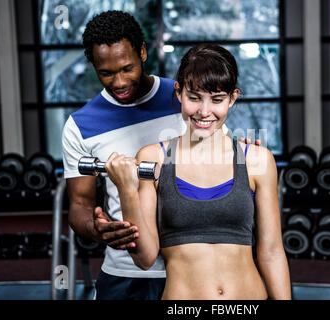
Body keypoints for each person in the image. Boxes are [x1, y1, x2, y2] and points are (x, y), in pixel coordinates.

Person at [62, 11, 256, 300]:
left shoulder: (187, 98)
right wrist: (96, 228)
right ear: (93, 66)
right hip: (127, 272)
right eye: (106, 73)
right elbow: (79, 205)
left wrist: (244, 150)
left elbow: (224, 161)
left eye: (127, 68)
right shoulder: (80, 125)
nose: (119, 82)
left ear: (142, 52)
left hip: (191, 271)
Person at [105, 44, 291, 299]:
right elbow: (145, 258)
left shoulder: (257, 160)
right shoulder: (153, 158)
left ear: (233, 98)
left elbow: (271, 252)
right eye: (194, 98)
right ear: (179, 93)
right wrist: (127, 190)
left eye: (217, 100)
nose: (204, 112)